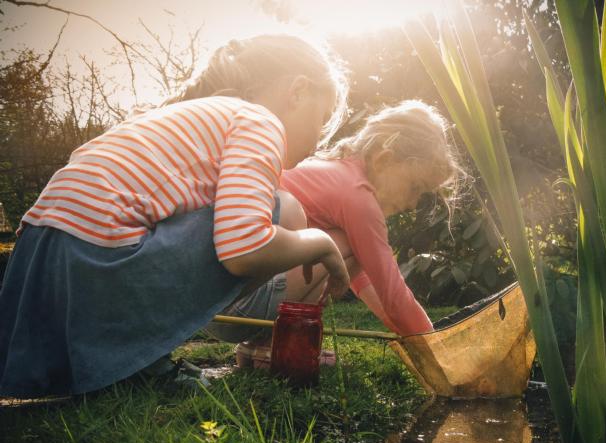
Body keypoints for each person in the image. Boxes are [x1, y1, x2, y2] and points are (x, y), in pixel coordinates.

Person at [0, 34, 351, 397]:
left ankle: (128, 358)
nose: (319, 142)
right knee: (279, 209)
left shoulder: (189, 117)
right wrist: (319, 242)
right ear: (297, 91)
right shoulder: (259, 120)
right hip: (96, 261)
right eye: (322, 120)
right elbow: (244, 248)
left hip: (37, 265)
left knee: (252, 209)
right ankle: (141, 363)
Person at [209, 100, 460, 368]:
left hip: (217, 306)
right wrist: (439, 350)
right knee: (341, 244)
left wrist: (409, 335)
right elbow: (393, 293)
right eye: (415, 187)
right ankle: (280, 346)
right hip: (239, 305)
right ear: (384, 159)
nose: (413, 202)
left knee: (344, 248)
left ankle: (259, 347)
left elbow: (366, 282)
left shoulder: (334, 172)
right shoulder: (357, 198)